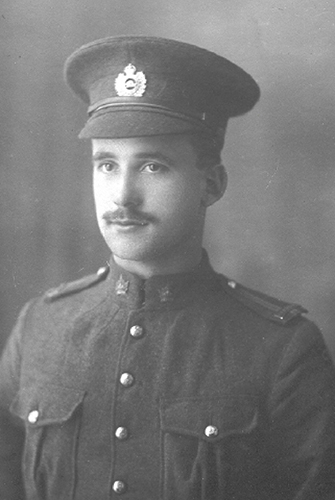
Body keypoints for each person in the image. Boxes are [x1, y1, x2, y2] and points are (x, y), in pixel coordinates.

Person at [0, 35, 334, 500]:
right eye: (106, 165)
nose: (122, 196)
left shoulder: (281, 352)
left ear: (211, 183)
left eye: (153, 166)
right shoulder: (39, 327)